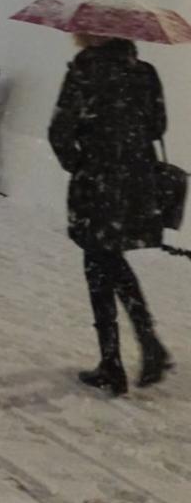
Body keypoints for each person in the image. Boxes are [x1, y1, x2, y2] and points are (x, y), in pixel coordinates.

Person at [48, 36, 173, 396]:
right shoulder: (145, 72)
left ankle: (119, 358)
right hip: (136, 181)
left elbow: (59, 132)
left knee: (98, 260)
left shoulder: (84, 71)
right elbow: (157, 126)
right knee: (105, 258)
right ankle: (137, 346)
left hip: (97, 182)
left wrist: (80, 163)